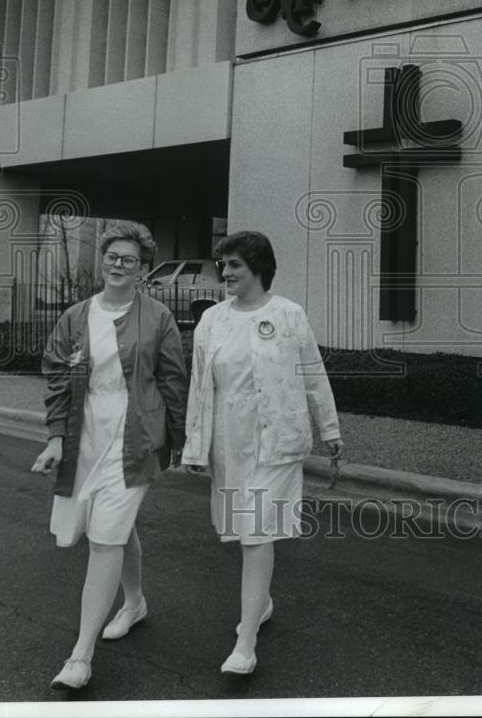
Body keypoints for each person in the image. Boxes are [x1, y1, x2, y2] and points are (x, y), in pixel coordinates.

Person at [31, 220, 188, 690]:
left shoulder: (158, 317)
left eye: (130, 260)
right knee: (116, 529)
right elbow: (57, 378)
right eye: (112, 257)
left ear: (142, 270)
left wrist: (180, 443)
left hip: (135, 434)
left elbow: (174, 381)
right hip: (86, 434)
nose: (118, 265)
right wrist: (57, 438)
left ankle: (81, 655)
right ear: (102, 261)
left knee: (105, 539)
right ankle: (135, 602)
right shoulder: (75, 316)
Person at [182, 230, 343, 676]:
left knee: (255, 532)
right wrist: (195, 445)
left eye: (234, 264)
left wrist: (329, 428)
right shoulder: (212, 320)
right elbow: (200, 386)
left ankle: (245, 642)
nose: (224, 272)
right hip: (229, 443)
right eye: (223, 263)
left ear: (258, 268)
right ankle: (262, 601)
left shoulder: (289, 315)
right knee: (241, 530)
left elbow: (313, 375)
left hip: (278, 442)